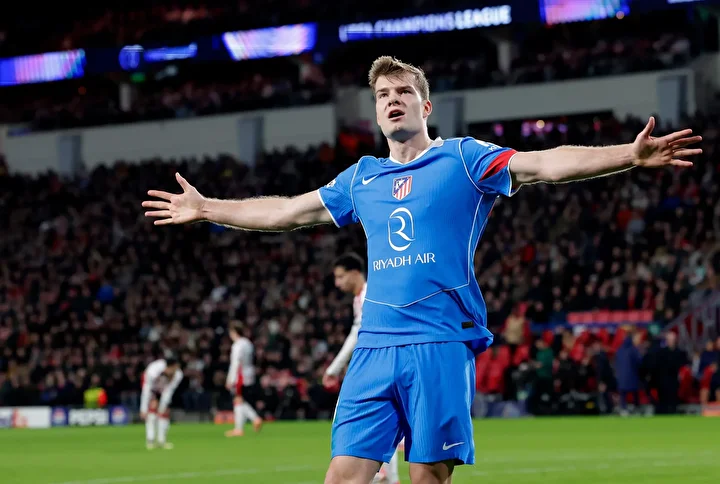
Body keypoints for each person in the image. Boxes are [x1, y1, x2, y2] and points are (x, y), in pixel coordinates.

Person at [143, 56, 702, 483]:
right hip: (375, 347)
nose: (393, 100)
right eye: (383, 95)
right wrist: (208, 208)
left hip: (438, 341)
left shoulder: (464, 158)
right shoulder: (361, 178)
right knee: (341, 477)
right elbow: (287, 211)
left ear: (425, 106)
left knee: (427, 477)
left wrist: (627, 155)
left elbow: (543, 165)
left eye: (404, 92)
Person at [323, 253, 400, 484]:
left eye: (340, 276)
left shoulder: (368, 295)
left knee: (348, 417)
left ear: (355, 273)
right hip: (384, 363)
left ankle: (379, 472)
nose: (337, 283)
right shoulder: (363, 297)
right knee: (386, 420)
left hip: (378, 365)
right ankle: (386, 474)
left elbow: (358, 333)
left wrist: (334, 368)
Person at [225, 321, 263, 437]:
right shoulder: (248, 343)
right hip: (249, 373)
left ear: (234, 332)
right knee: (239, 400)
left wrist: (230, 379)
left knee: (238, 400)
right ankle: (239, 428)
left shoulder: (237, 345)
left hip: (240, 375)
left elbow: (235, 363)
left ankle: (254, 418)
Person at [140, 356, 183, 450]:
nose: (174, 371)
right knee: (151, 413)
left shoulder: (178, 375)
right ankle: (150, 441)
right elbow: (146, 390)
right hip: (152, 388)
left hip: (164, 390)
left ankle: (161, 441)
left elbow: (169, 391)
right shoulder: (152, 371)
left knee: (164, 413)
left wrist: (162, 407)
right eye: (173, 369)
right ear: (168, 367)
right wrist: (143, 409)